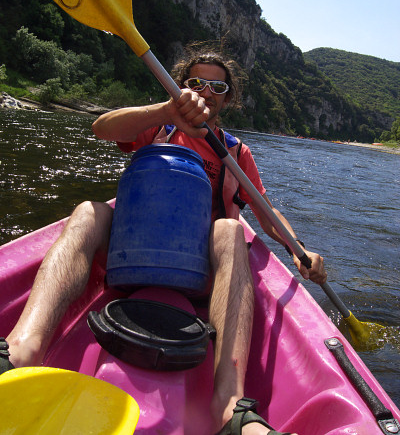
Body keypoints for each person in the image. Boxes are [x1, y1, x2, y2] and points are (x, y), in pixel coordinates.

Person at [5, 46, 326, 435]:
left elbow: (266, 215)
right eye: (196, 83)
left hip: (199, 271)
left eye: (217, 86)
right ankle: (20, 351)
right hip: (131, 254)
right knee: (89, 210)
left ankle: (230, 407)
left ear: (228, 97)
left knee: (231, 229)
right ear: (180, 86)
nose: (206, 92)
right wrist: (165, 110)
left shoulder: (237, 153)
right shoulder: (159, 125)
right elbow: (102, 128)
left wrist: (299, 248)